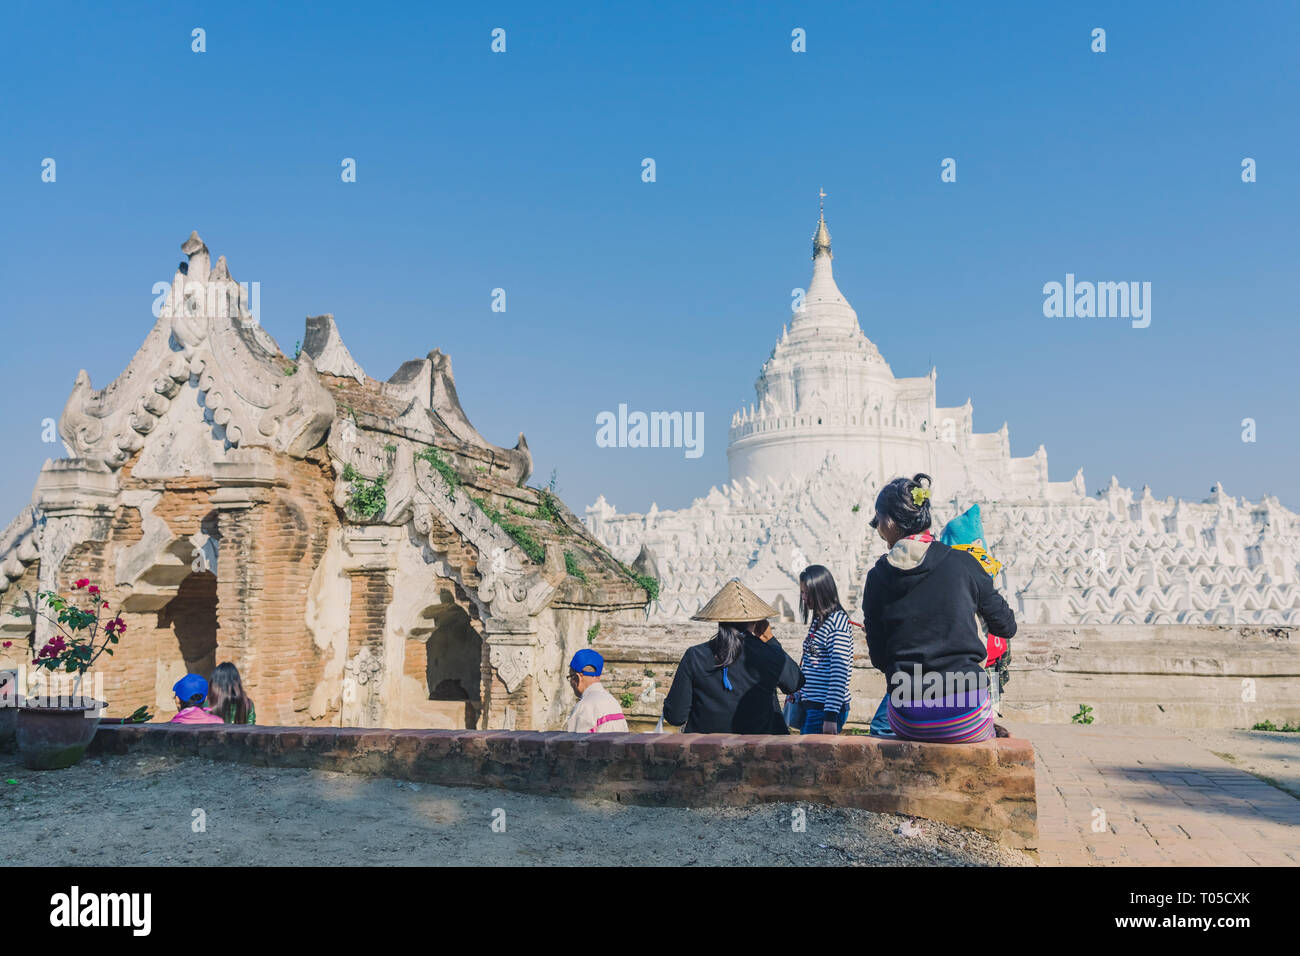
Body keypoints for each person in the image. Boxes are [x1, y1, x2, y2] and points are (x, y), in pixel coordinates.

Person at [862, 474, 1017, 743]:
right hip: (966, 716)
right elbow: (1006, 626)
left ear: (888, 522)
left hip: (907, 716)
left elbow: (878, 658)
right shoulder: (964, 564)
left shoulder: (877, 576)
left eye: (878, 520)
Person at [663, 579, 803, 734]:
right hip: (761, 749)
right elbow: (795, 683)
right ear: (757, 621)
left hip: (706, 749)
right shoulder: (770, 653)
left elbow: (675, 716)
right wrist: (771, 641)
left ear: (719, 619)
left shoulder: (695, 656)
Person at [792, 565, 854, 735]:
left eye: (807, 593)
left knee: (810, 760)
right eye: (802, 593)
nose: (803, 598)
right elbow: (814, 664)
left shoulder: (837, 623)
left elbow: (839, 672)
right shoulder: (819, 621)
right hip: (812, 706)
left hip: (824, 709)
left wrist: (830, 716)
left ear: (820, 592)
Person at [563, 649, 629, 733]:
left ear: (577, 677)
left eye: (570, 677)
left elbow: (572, 743)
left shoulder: (584, 707)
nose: (571, 683)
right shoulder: (613, 702)